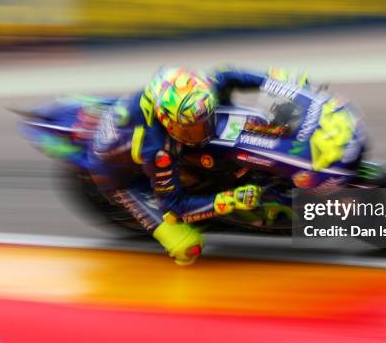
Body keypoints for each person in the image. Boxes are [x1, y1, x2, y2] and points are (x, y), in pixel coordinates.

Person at [90, 66, 294, 265]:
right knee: (188, 248)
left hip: (131, 124)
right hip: (117, 178)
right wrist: (230, 199)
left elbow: (231, 75)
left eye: (206, 120)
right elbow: (174, 206)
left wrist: (272, 80)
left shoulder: (198, 89)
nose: (203, 131)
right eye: (190, 130)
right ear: (167, 123)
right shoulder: (156, 150)